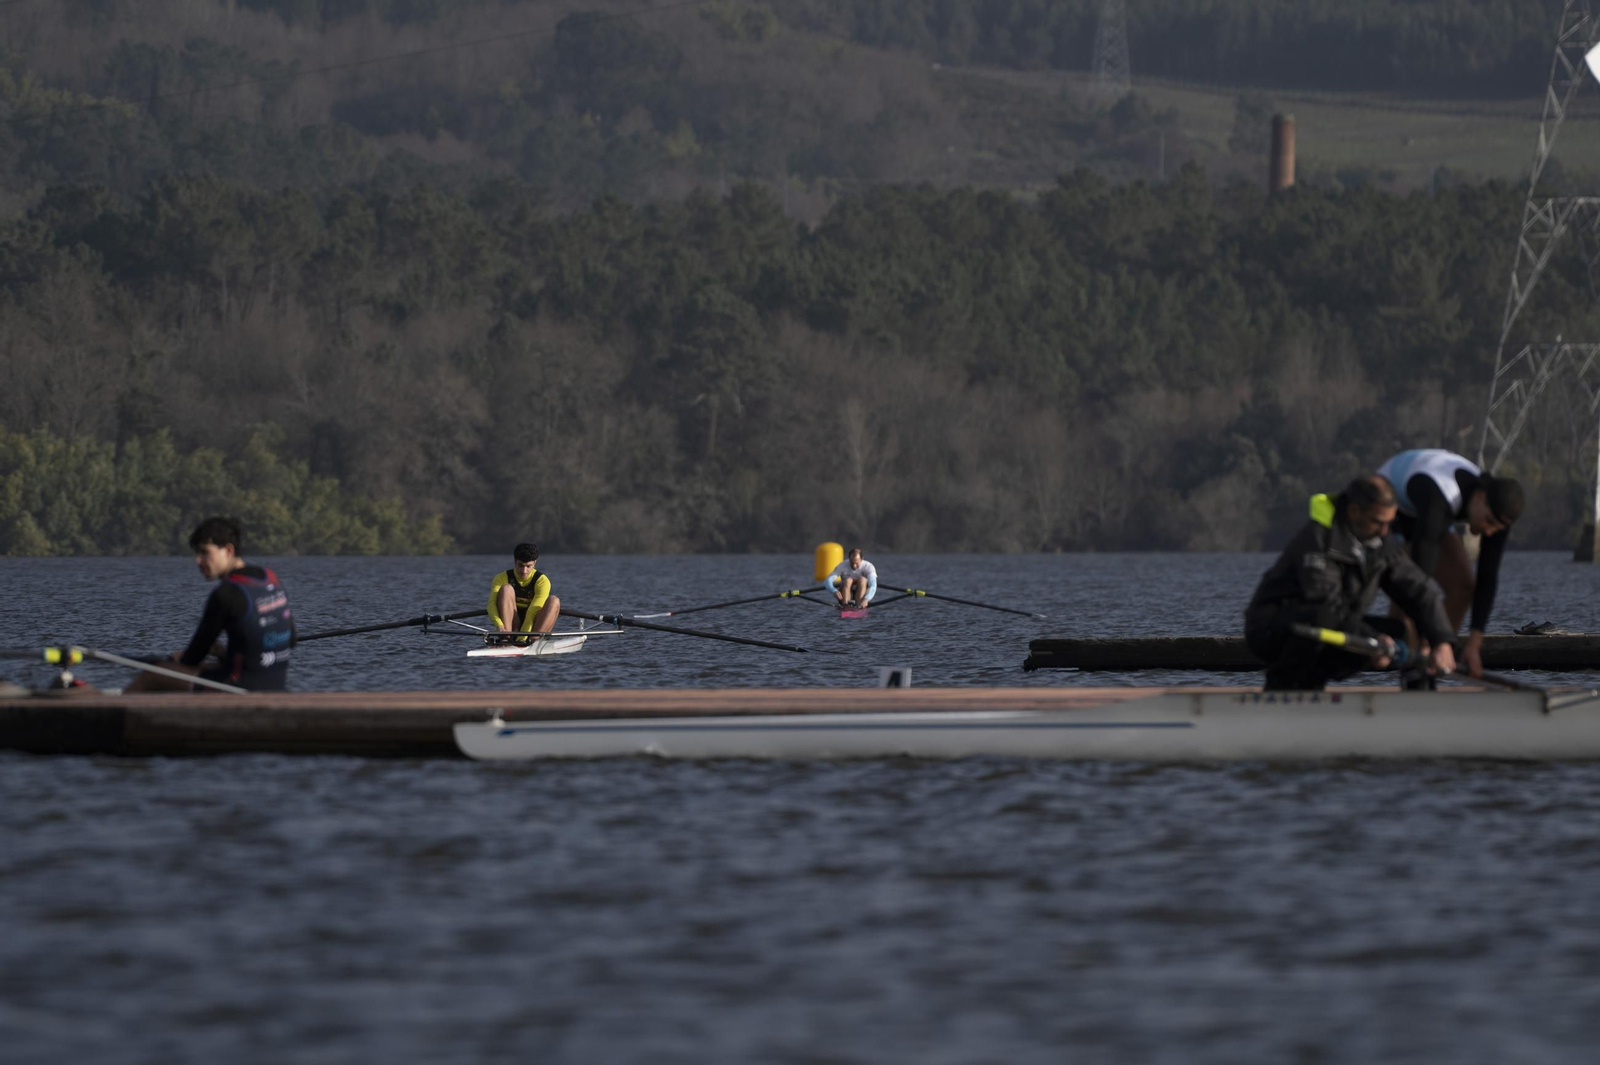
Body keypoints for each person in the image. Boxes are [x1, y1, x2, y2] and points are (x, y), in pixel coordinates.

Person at [1245, 475, 1457, 691]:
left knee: (1400, 632)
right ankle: (1280, 690)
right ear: (1355, 511)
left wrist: (1442, 641)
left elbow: (1421, 590)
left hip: (1329, 625)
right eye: (1378, 522)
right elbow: (1326, 605)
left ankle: (1415, 700)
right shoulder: (1318, 537)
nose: (1384, 531)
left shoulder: (1380, 544)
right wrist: (1373, 638)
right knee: (1322, 618)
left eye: (1389, 523)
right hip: (1270, 629)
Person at [1375, 448, 1525, 678]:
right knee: (1407, 596)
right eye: (1489, 522)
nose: (1489, 530)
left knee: (1463, 586)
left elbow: (1487, 577)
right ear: (1479, 498)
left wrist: (1474, 646)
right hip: (1389, 501)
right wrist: (1433, 639)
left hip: (1425, 510)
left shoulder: (1497, 512)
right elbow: (1418, 581)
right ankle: (1412, 664)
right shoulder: (1440, 499)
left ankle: (1430, 665)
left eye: (1497, 527)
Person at [128, 516, 295, 692]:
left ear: (228, 550)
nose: (198, 560)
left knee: (154, 674)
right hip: (276, 684)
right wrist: (222, 653)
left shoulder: (225, 594)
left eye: (205, 552)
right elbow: (290, 640)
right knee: (209, 668)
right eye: (197, 554)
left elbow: (192, 659)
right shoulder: (271, 578)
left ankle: (113, 715)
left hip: (240, 686)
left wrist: (177, 659)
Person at [487, 543, 560, 642]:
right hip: (512, 624)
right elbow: (491, 605)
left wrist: (522, 639)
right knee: (506, 589)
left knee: (554, 600)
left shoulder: (542, 581)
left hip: (534, 625)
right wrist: (499, 625)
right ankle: (506, 636)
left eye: (528, 566)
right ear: (515, 561)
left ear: (535, 563)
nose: (524, 571)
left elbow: (532, 613)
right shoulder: (501, 578)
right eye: (520, 565)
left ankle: (534, 639)